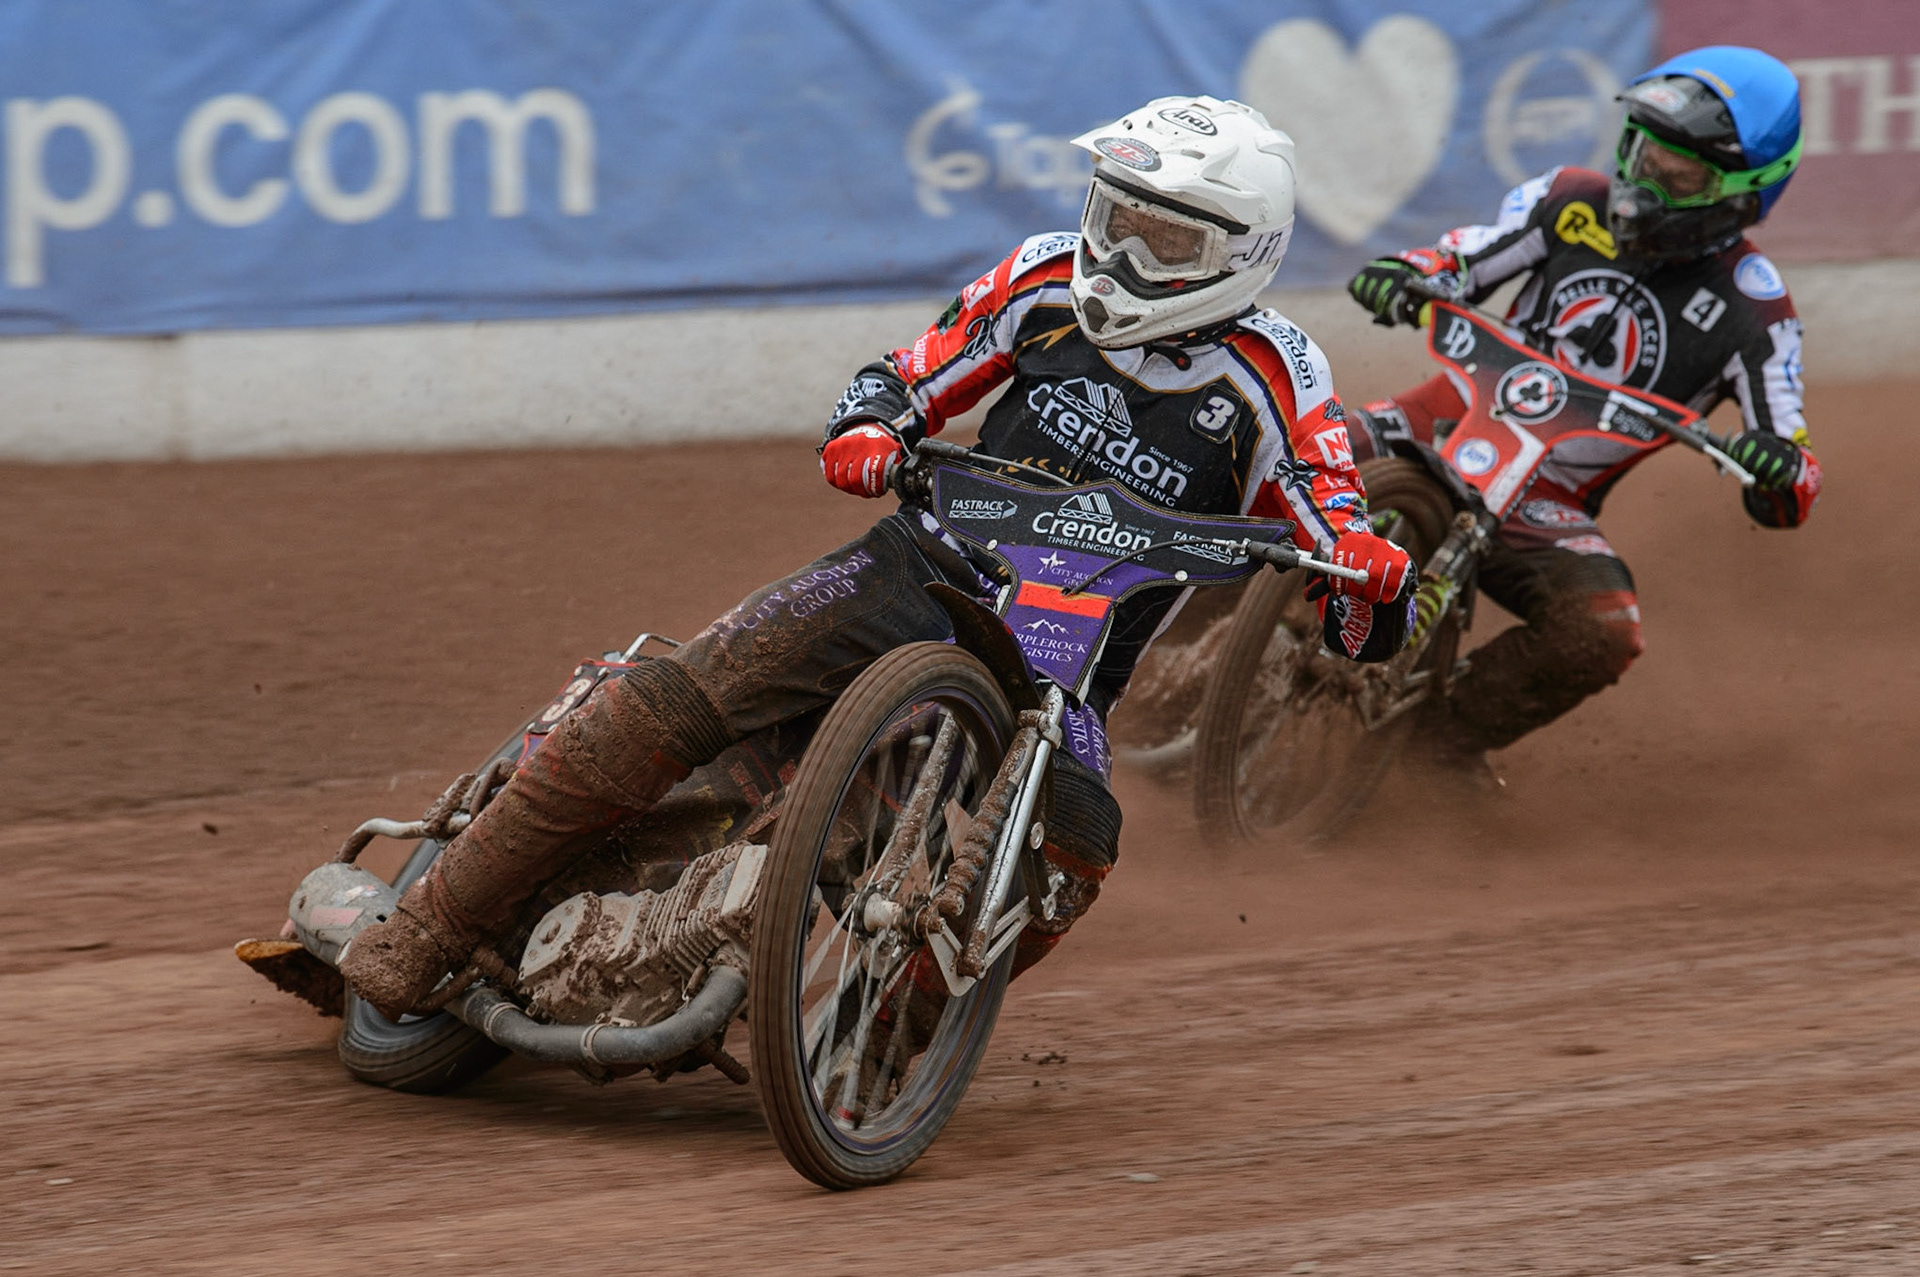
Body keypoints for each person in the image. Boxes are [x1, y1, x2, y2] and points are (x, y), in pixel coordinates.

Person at [339, 95, 1416, 1022]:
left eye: (1163, 242)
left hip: (1067, 668)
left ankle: (898, 1034)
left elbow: (1333, 519)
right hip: (918, 560)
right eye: (1114, 220)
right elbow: (906, 372)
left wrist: (1368, 576)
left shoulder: (1277, 376)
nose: (1122, 257)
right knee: (682, 694)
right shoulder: (1043, 282)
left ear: (1241, 255)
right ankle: (432, 923)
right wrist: (871, 428)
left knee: (1078, 850)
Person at [1342, 46, 1819, 769]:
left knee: (1603, 630)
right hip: (1438, 419)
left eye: (1679, 169)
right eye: (1643, 149)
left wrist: (1777, 467)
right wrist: (1410, 273)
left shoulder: (1756, 312)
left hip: (1547, 500)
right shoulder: (1571, 198)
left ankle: (1429, 753)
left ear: (1743, 193)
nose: (1645, 179)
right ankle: (1179, 648)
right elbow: (1464, 258)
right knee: (1291, 457)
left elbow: (1794, 471)